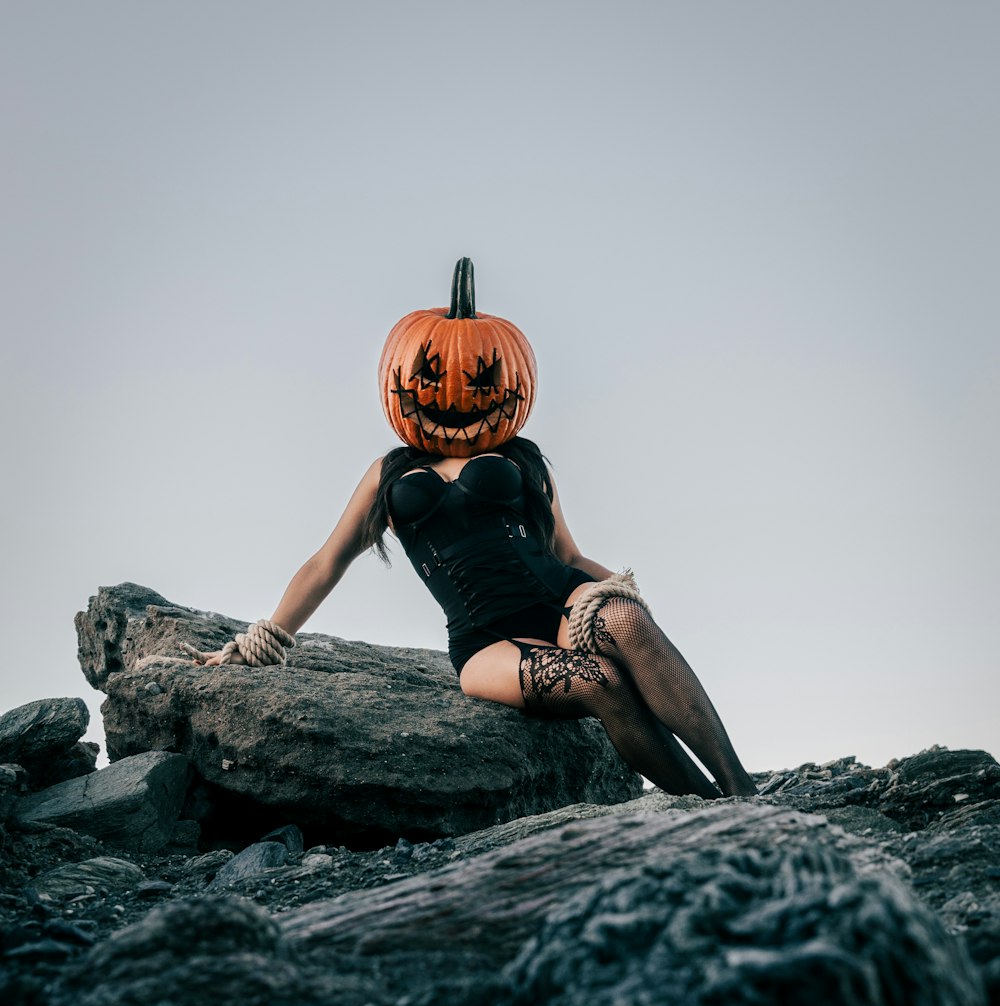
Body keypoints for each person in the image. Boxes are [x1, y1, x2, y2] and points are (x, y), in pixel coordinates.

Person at [195, 261, 758, 800]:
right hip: (486, 642)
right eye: (431, 376)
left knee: (627, 624)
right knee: (598, 680)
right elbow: (326, 563)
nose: (454, 396)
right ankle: (704, 809)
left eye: (484, 376)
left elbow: (567, 552)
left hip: (560, 604)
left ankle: (742, 796)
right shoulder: (389, 475)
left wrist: (630, 601)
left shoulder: (523, 459)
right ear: (401, 380)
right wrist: (257, 642)